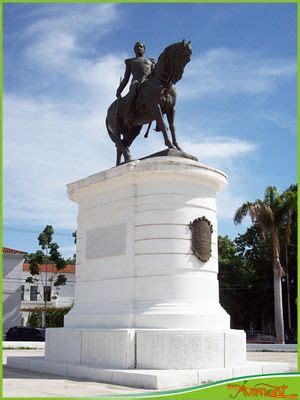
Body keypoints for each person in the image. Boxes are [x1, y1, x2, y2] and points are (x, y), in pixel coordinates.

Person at [116, 42, 155, 128]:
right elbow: (126, 78)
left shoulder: (150, 61)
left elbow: (155, 74)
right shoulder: (131, 62)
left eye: (141, 47)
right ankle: (128, 114)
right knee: (133, 90)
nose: (139, 48)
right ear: (134, 50)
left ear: (144, 49)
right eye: (137, 47)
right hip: (136, 82)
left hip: (148, 82)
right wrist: (119, 90)